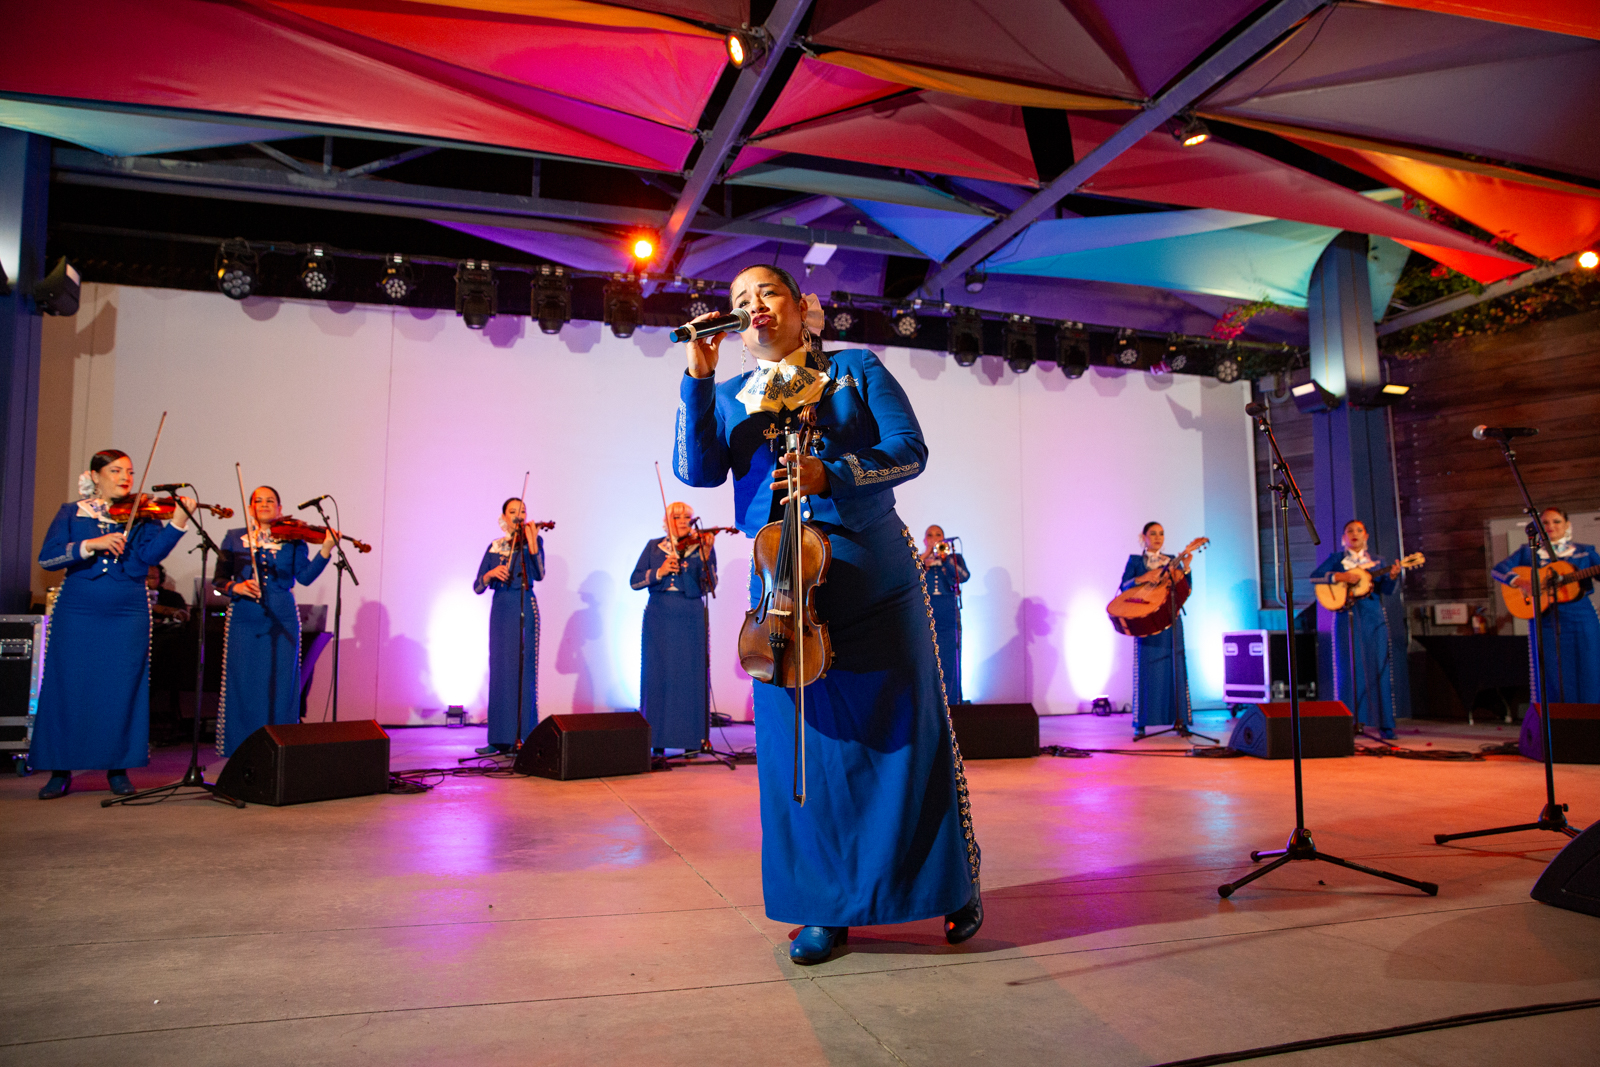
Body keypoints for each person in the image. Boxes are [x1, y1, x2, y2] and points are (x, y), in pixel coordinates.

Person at [676, 263, 980, 965]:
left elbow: (910, 450)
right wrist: (695, 378)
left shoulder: (856, 369)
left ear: (801, 305)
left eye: (767, 293)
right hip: (783, 590)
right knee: (798, 755)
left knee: (907, 739)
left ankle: (947, 883)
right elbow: (696, 471)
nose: (754, 307)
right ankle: (823, 907)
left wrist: (832, 473)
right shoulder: (728, 394)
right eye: (740, 300)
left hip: (874, 583)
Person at [32, 449, 194, 798]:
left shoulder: (144, 517)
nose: (125, 478)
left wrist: (178, 521)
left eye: (130, 472)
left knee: (122, 687)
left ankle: (117, 768)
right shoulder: (72, 512)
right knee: (68, 684)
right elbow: (48, 557)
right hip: (78, 609)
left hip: (127, 611)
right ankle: (60, 769)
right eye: (116, 470)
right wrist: (91, 544)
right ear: (95, 476)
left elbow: (150, 557)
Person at [214, 486, 336, 757]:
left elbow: (304, 577)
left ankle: (279, 749)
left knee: (280, 684)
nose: (265, 504)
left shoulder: (293, 540)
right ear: (250, 509)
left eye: (271, 501)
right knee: (243, 682)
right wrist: (237, 587)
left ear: (280, 509)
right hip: (244, 618)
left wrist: (325, 549)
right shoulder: (234, 538)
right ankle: (240, 749)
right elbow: (218, 581)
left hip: (282, 616)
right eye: (258, 500)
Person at [631, 502, 718, 753]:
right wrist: (658, 572)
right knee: (657, 674)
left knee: (689, 675)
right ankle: (656, 739)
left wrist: (704, 559)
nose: (683, 521)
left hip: (690, 614)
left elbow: (710, 587)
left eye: (688, 517)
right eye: (676, 516)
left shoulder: (702, 546)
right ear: (666, 520)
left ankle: (691, 741)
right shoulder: (653, 546)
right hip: (659, 613)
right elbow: (635, 581)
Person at [1492, 507, 1600, 704]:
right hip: (1545, 619)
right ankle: (1554, 723)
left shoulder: (1585, 551)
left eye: (1557, 521)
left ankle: (1590, 719)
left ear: (1567, 525)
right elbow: (1499, 570)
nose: (1551, 526)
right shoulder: (1529, 552)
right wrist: (1521, 581)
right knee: (1550, 671)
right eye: (1546, 523)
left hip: (1581, 618)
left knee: (1589, 665)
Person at [1310, 519, 1404, 739]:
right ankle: (1348, 721)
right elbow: (1315, 576)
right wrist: (1338, 576)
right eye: (1349, 531)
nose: (1354, 534)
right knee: (1347, 669)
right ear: (1344, 537)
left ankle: (1384, 723)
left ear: (1366, 536)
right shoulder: (1337, 559)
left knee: (1379, 667)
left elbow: (1387, 590)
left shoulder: (1377, 561)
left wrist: (1392, 576)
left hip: (1373, 618)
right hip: (1346, 617)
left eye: (1359, 530)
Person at [473, 498, 546, 755]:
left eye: (523, 511)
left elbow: (539, 574)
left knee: (523, 673)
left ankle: (524, 737)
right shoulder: (495, 546)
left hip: (524, 605)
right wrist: (491, 574)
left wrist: (534, 541)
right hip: (502, 608)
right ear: (504, 516)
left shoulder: (532, 542)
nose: (519, 515)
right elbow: (478, 585)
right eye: (513, 511)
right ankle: (498, 738)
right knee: (501, 671)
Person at [1119, 522, 1193, 739]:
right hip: (1146, 622)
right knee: (1146, 668)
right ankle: (1141, 724)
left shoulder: (1172, 561)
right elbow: (1124, 586)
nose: (1159, 537)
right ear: (1144, 537)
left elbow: (1186, 589)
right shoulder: (1135, 561)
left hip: (1170, 619)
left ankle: (1181, 720)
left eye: (1162, 533)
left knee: (1176, 667)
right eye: (1153, 533)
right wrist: (1143, 578)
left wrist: (1186, 568)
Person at [919, 525, 970, 704]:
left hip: (948, 614)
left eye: (938, 535)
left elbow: (964, 576)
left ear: (944, 538)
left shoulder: (954, 558)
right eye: (930, 535)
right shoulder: (919, 560)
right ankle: (929, 704)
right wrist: (925, 556)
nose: (934, 538)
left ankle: (953, 702)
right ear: (925, 540)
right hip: (926, 616)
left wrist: (946, 559)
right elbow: (909, 575)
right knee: (926, 661)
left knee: (950, 659)